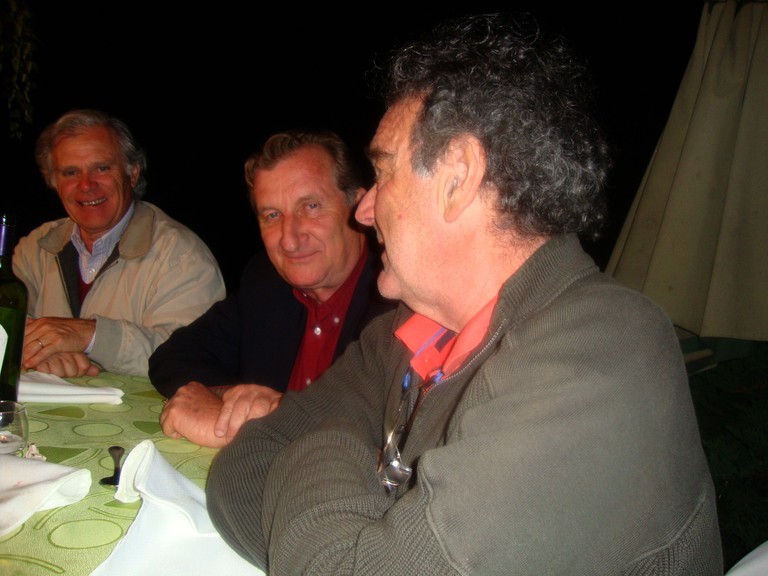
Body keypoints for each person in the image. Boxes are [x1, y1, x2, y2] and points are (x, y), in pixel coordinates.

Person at [205, 12, 723, 575]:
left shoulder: (603, 354)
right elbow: (243, 469)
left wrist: (327, 448)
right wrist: (346, 521)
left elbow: (326, 530)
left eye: (384, 173)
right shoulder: (405, 336)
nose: (364, 210)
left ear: (458, 175)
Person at [150, 129, 394, 447]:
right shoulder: (267, 282)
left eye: (311, 207)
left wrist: (274, 413)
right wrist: (229, 399)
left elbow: (388, 426)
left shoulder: (396, 297)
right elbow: (173, 357)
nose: (289, 240)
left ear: (359, 207)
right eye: (272, 215)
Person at [13, 109, 226, 378]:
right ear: (54, 182)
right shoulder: (35, 248)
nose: (86, 185)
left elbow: (193, 356)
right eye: (70, 172)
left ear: (132, 173)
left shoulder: (182, 256)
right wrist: (38, 353)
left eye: (101, 168)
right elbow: (6, 325)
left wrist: (90, 336)